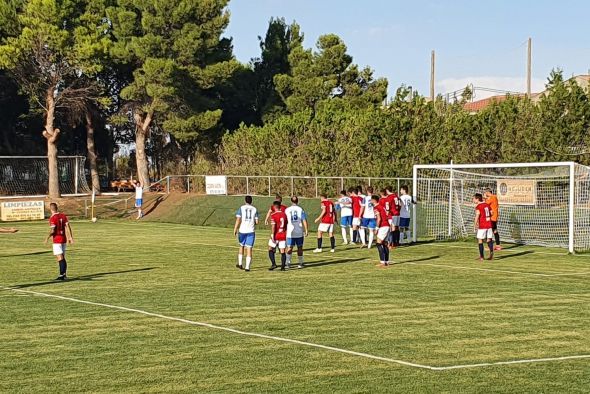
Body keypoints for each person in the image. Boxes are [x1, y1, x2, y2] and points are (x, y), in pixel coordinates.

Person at [44, 203, 74, 280]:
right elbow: (68, 226)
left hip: (57, 239)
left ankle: (62, 275)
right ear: (57, 208)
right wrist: (70, 237)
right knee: (62, 257)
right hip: (64, 238)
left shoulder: (53, 218)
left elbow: (53, 230)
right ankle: (64, 275)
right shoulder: (63, 216)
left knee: (60, 257)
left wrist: (47, 237)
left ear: (50, 209)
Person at [233, 195, 259, 272]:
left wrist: (235, 229)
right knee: (249, 248)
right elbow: (257, 222)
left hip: (242, 230)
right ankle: (247, 267)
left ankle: (240, 264)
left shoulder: (242, 208)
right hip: (251, 231)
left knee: (241, 246)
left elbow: (238, 219)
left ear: (245, 201)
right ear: (251, 201)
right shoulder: (254, 209)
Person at [285, 196, 309, 269]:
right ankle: (300, 263)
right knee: (300, 247)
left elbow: (284, 220)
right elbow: (304, 220)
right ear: (297, 201)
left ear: (291, 201)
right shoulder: (300, 209)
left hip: (290, 231)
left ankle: (288, 263)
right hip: (299, 232)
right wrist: (306, 230)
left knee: (289, 247)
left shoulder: (287, 210)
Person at [268, 201, 288, 271]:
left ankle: (274, 264)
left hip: (276, 234)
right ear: (280, 207)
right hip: (283, 234)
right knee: (282, 251)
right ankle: (283, 267)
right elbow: (286, 225)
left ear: (274, 207)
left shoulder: (273, 215)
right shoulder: (284, 215)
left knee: (270, 248)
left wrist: (273, 235)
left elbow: (273, 226)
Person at [474, 193, 494, 261]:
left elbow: (477, 216)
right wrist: (487, 217)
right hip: (489, 225)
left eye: (474, 199)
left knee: (480, 240)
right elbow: (492, 213)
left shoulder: (478, 206)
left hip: (482, 225)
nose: (473, 200)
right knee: (489, 239)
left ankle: (482, 257)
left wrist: (475, 225)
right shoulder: (487, 205)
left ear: (477, 199)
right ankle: (491, 254)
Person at [372, 195, 391, 267]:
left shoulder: (376, 207)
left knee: (378, 243)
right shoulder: (381, 206)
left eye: (371, 200)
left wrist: (376, 228)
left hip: (383, 226)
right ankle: (386, 261)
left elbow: (379, 219)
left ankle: (382, 262)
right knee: (384, 243)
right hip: (387, 225)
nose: (371, 201)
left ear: (374, 200)